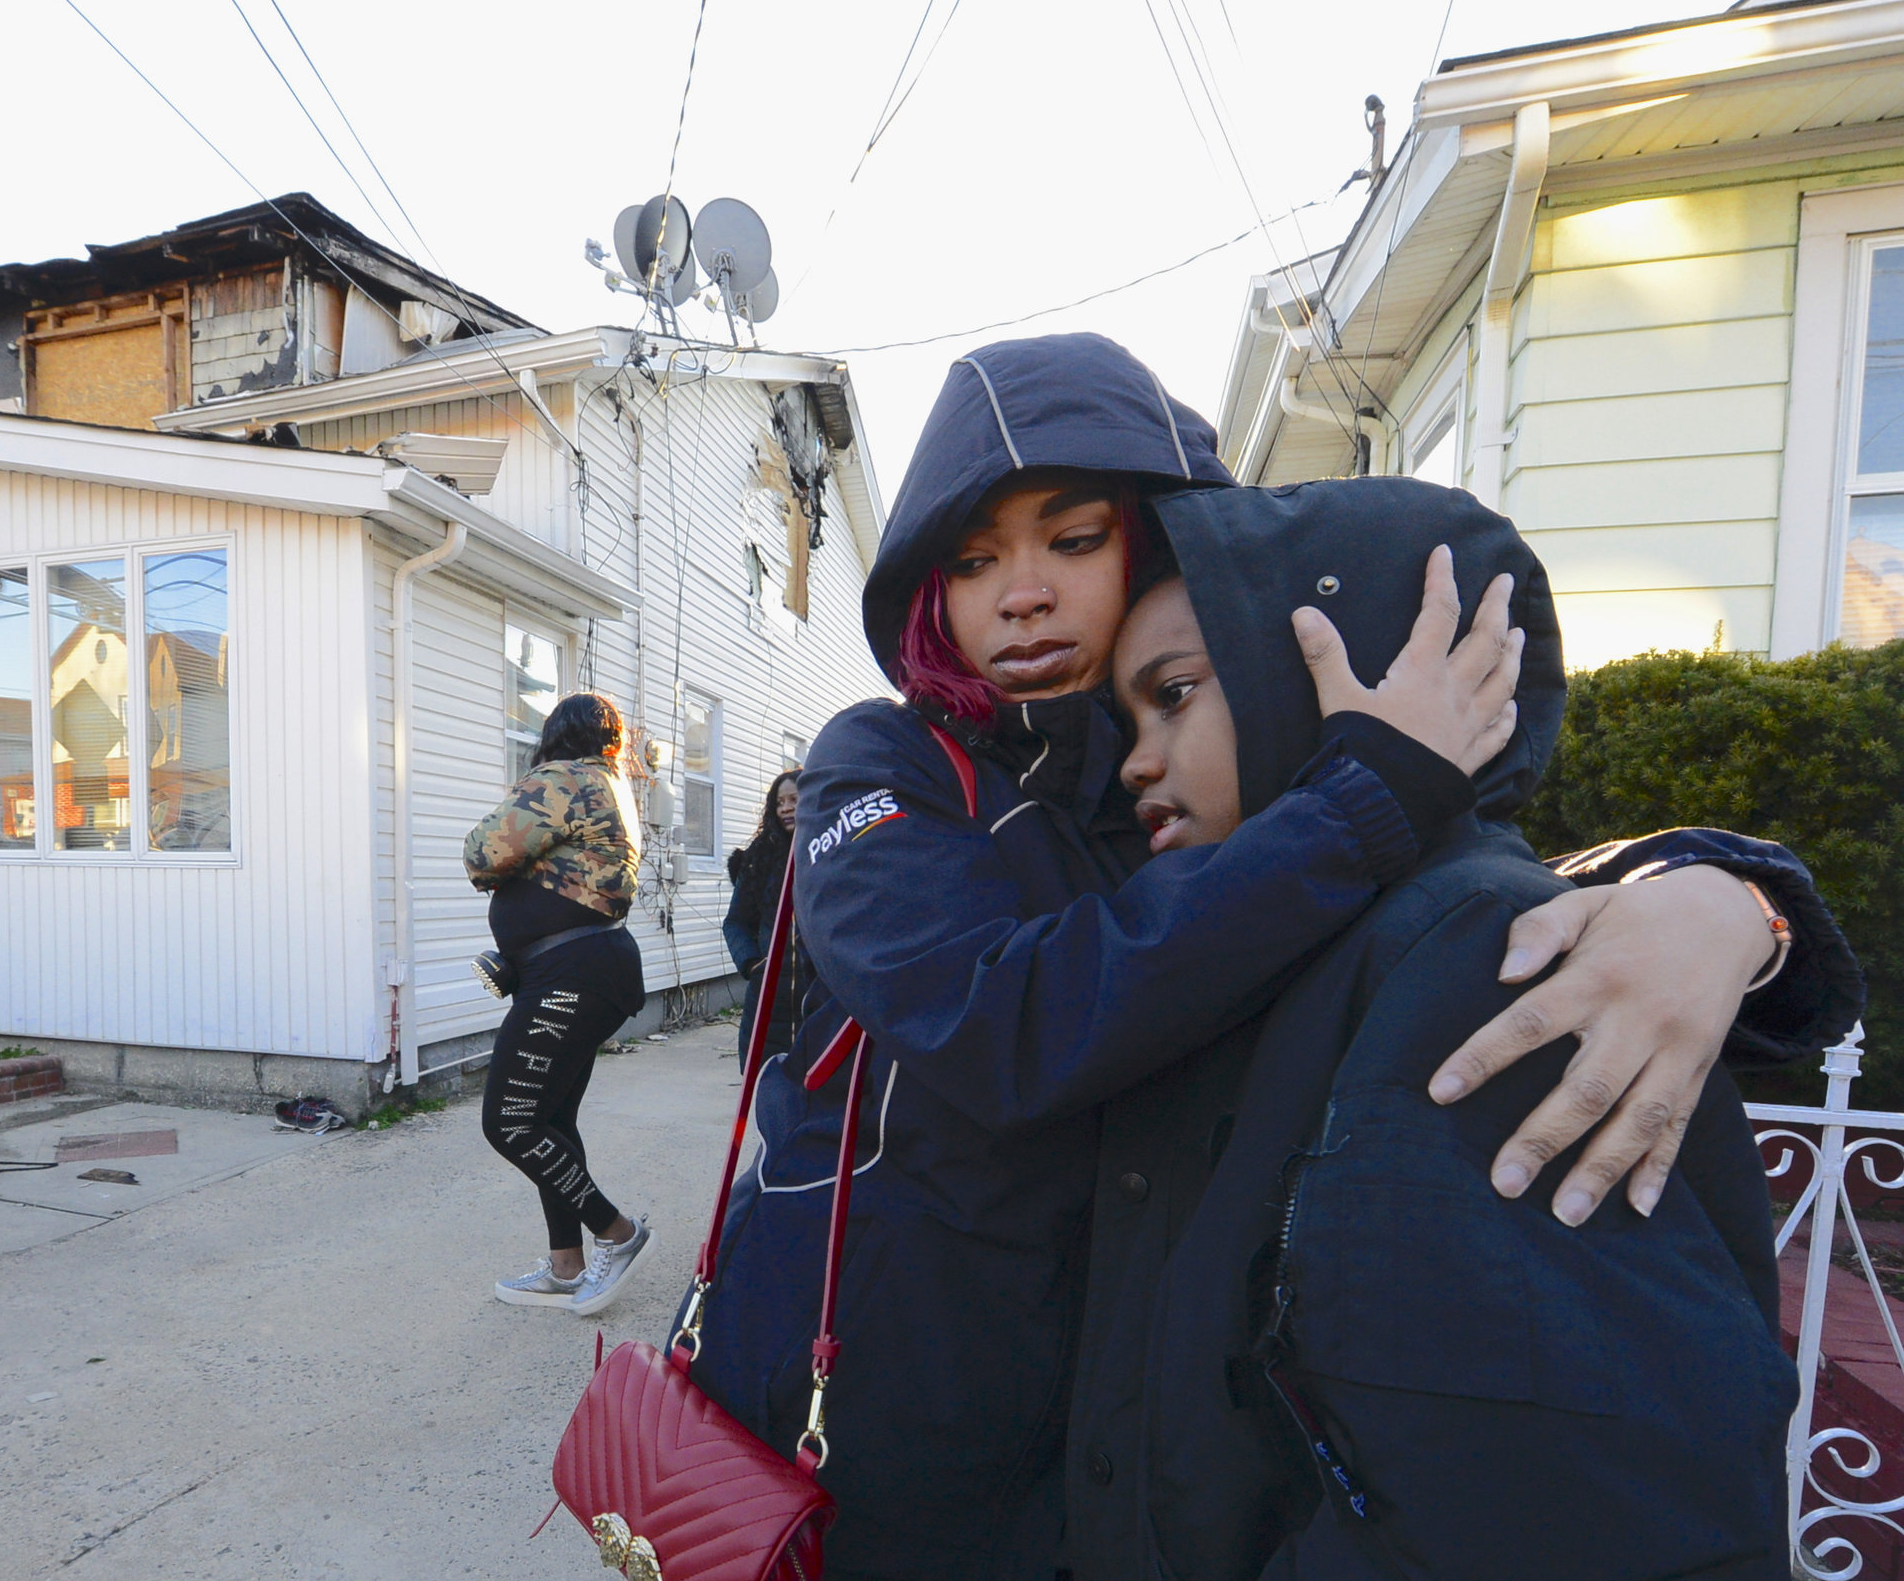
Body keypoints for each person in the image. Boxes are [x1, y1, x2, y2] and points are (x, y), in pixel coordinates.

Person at [680, 333, 1849, 1581]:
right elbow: (995, 1017)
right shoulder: (893, 760)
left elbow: (1456, 890)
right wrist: (1357, 800)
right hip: (862, 1383)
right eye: (971, 562)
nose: (1019, 592)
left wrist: (1723, 899)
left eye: (1074, 541)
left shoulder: (1215, 795)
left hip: (1089, 1433)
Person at [1071, 478, 1835, 1578]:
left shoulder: (1489, 959)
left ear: (1354, 671)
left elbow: (1563, 1494)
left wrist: (1734, 907)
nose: (1135, 761)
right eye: (1126, 720)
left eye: (1176, 692)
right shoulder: (1289, 939)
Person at [463, 691, 658, 1317]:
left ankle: (618, 1234)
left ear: (557, 735)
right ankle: (565, 1267)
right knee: (551, 1119)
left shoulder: (564, 778)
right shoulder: (612, 783)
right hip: (588, 964)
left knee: (511, 1120)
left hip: (570, 971)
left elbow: (482, 852)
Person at [723, 771, 803, 1069]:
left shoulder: (831, 854)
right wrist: (752, 963)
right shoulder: (759, 858)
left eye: (794, 799)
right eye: (780, 802)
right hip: (768, 999)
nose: (786, 808)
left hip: (818, 998)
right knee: (766, 1086)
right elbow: (736, 922)